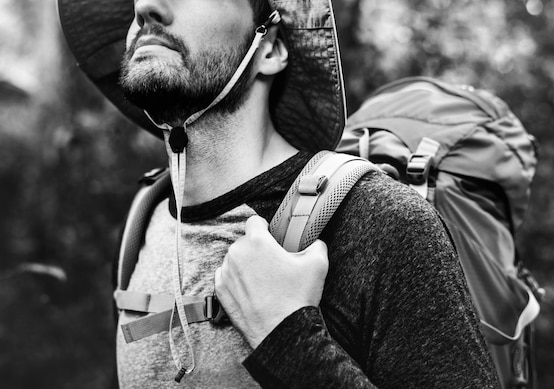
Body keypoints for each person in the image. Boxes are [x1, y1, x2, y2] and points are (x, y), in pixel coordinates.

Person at [58, 0, 500, 387]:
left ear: (269, 48)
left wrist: (288, 337)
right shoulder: (147, 219)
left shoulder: (381, 223)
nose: (145, 7)